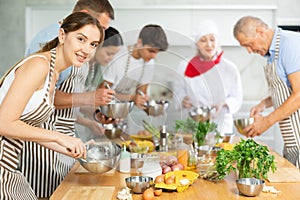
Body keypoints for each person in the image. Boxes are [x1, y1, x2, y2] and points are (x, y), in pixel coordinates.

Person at [0, 12, 109, 200]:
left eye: (93, 45)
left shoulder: (55, 74)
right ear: (62, 36)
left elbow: (29, 130)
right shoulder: (39, 66)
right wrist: (59, 137)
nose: (87, 49)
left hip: (8, 164)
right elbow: (4, 123)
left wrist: (75, 147)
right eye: (81, 39)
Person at [233, 16, 300, 168]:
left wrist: (266, 122)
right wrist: (264, 103)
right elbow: (288, 88)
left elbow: (299, 94)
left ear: (260, 31)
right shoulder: (273, 54)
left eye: (249, 44)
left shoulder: (290, 45)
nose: (249, 51)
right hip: (293, 142)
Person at [174, 20, 243, 135]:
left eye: (212, 39)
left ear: (218, 41)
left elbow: (237, 97)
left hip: (220, 125)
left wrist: (225, 103)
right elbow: (178, 91)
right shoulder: (185, 66)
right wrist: (182, 100)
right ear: (196, 44)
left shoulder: (229, 68)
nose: (209, 45)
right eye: (203, 40)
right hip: (193, 124)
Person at [100, 24, 169, 111]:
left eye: (156, 52)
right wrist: (132, 98)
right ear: (139, 43)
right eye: (151, 51)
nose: (154, 56)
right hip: (104, 108)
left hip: (123, 110)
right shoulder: (119, 57)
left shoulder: (149, 62)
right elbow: (102, 92)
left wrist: (150, 107)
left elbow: (141, 93)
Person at [76, 26, 124, 142]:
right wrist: (89, 123)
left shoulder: (97, 68)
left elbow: (82, 103)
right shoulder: (78, 65)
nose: (111, 58)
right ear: (97, 46)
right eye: (108, 53)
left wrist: (100, 115)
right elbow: (65, 103)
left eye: (114, 55)